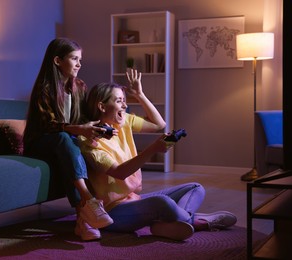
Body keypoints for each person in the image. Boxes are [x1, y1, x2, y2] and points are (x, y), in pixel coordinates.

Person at [78, 69, 237, 241]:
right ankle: (197, 221)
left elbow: (159, 124)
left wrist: (139, 94)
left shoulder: (124, 122)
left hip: (134, 199)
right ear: (101, 106)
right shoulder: (88, 139)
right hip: (112, 212)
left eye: (125, 101)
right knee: (162, 202)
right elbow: (119, 172)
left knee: (195, 188)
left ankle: (175, 223)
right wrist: (153, 149)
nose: (124, 105)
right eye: (119, 101)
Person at [23, 38, 114, 241]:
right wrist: (77, 129)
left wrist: (98, 128)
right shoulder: (44, 89)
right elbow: (47, 125)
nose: (79, 64)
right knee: (65, 139)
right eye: (74, 59)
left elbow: (82, 120)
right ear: (57, 61)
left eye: (80, 59)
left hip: (65, 143)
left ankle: (83, 219)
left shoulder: (79, 87)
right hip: (40, 143)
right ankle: (89, 202)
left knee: (74, 146)